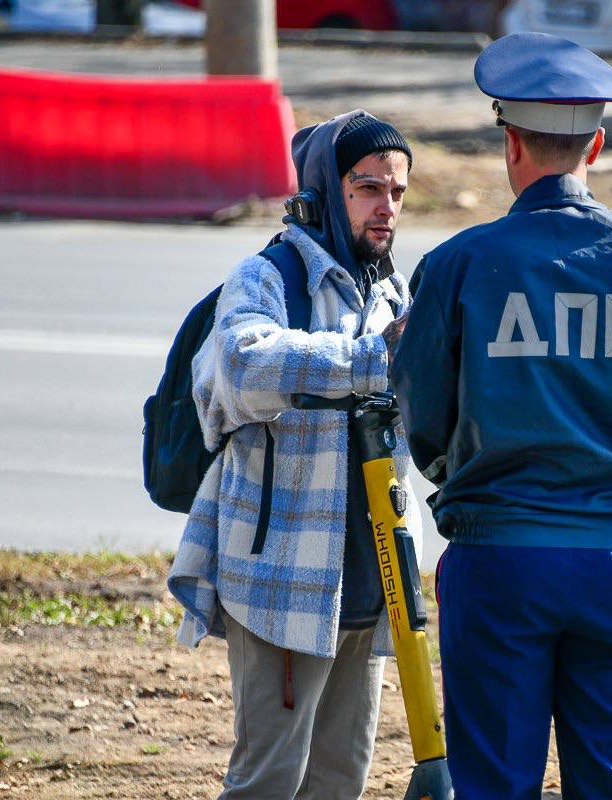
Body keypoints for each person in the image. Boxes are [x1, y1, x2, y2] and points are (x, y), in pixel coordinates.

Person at [390, 32, 612, 800]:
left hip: (501, 558)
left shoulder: (460, 263)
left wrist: (468, 473)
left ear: (511, 145)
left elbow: (424, 419)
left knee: (495, 780)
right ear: (596, 143)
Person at [166, 110, 422, 800]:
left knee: (340, 779)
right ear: (323, 189)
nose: (386, 209)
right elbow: (243, 366)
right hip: (285, 582)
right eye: (369, 189)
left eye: (397, 193)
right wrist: (376, 358)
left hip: (373, 582)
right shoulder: (268, 275)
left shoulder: (390, 288)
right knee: (268, 781)